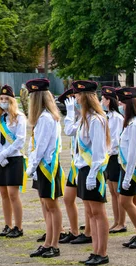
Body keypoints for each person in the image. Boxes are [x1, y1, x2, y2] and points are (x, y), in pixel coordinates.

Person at [70, 80, 111, 266]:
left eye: (78, 95)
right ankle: (95, 250)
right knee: (90, 212)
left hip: (92, 169)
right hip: (83, 168)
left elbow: (99, 151)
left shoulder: (96, 120)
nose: (76, 99)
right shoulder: (84, 119)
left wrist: (94, 173)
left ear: (85, 97)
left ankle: (102, 252)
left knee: (98, 212)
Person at [25, 78, 64, 259]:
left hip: (47, 167)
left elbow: (40, 147)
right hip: (42, 167)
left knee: (52, 206)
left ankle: (54, 244)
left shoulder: (46, 118)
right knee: (46, 206)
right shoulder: (43, 117)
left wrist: (30, 167)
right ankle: (47, 242)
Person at [0, 85, 27, 238]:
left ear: (12, 101)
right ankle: (7, 224)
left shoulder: (19, 117)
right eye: (1, 99)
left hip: (14, 158)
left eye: (6, 99)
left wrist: (4, 154)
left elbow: (20, 140)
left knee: (13, 194)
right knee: (3, 193)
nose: (3, 101)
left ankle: (18, 226)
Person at [116, 87, 136, 249]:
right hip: (126, 166)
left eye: (122, 103)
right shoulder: (128, 123)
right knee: (134, 201)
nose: (120, 105)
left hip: (132, 168)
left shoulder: (134, 125)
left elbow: (134, 152)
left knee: (125, 201)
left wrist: (128, 177)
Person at [60, 88, 92, 245]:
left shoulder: (88, 118)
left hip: (87, 163)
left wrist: (71, 113)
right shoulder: (78, 120)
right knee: (68, 198)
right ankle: (74, 231)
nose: (74, 102)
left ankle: (89, 232)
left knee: (87, 201)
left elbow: (68, 131)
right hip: (76, 162)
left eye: (75, 98)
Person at [103, 86, 126, 234]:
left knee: (118, 191)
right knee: (111, 190)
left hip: (115, 156)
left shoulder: (117, 118)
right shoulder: (107, 116)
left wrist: (108, 152)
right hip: (108, 156)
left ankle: (122, 223)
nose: (101, 101)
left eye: (103, 98)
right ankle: (116, 220)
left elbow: (116, 140)